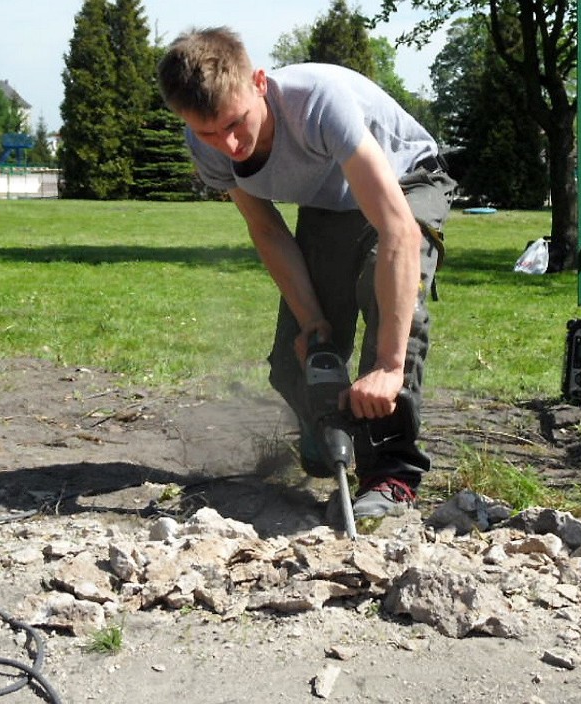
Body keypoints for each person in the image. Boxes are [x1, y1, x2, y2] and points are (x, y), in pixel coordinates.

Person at [157, 27, 455, 519]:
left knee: (387, 298)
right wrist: (313, 320)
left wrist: (388, 366)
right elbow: (268, 230)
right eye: (209, 133)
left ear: (258, 82)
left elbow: (398, 230)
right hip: (329, 201)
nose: (227, 144)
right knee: (297, 358)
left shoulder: (319, 101)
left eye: (235, 123)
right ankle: (332, 431)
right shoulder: (206, 141)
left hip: (406, 182)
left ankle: (390, 475)